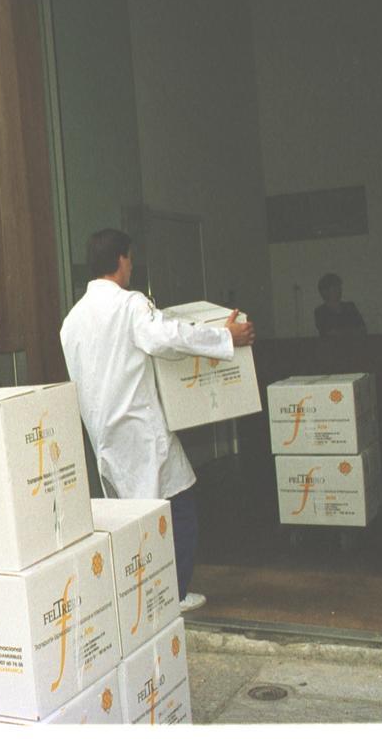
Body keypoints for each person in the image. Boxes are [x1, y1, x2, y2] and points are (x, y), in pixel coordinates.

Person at [59, 229, 255, 613]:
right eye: (130, 260)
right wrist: (225, 336)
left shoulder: (72, 320)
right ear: (120, 260)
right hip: (141, 432)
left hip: (106, 438)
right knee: (178, 512)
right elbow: (165, 338)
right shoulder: (130, 304)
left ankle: (137, 596)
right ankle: (172, 595)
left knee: (130, 521)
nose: (132, 267)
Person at [314, 272, 367, 338]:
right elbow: (329, 333)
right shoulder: (320, 311)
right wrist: (351, 331)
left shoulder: (350, 306)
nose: (339, 290)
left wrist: (341, 332)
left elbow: (363, 329)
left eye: (339, 287)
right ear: (325, 291)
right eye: (335, 287)